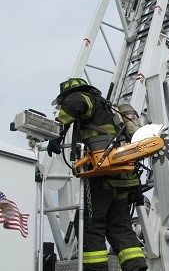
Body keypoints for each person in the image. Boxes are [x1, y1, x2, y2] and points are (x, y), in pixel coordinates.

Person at [47, 78, 148, 271]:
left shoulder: (82, 97)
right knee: (120, 226)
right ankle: (136, 267)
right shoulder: (109, 110)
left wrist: (57, 133)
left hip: (101, 175)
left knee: (90, 225)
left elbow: (74, 104)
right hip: (123, 178)